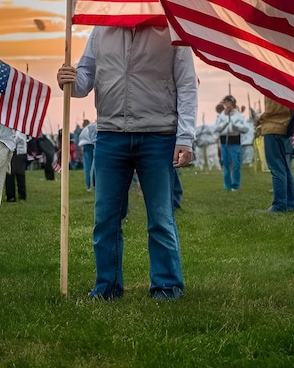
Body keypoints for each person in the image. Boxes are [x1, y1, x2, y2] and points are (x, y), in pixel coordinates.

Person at [57, 25, 197, 301]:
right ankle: (107, 287)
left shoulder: (171, 29)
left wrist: (185, 136)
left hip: (158, 135)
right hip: (110, 134)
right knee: (106, 218)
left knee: (160, 216)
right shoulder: (100, 31)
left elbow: (187, 84)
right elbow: (86, 78)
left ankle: (167, 286)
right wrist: (70, 79)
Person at [258, 98, 294, 212]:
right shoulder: (288, 88)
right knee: (285, 168)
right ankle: (289, 203)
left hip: (272, 128)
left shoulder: (272, 87)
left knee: (276, 168)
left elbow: (271, 111)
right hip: (286, 127)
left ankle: (279, 204)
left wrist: (260, 119)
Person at [214, 95, 248, 191]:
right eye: (225, 103)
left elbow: (245, 128)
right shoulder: (221, 116)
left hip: (235, 141)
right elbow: (216, 128)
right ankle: (227, 185)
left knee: (236, 164)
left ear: (232, 103)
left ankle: (236, 184)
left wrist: (236, 126)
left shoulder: (239, 115)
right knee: (226, 164)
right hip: (224, 141)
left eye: (227, 102)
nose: (226, 104)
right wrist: (224, 124)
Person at [5, 131, 27, 202]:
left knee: (15, 174)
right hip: (16, 152)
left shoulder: (19, 130)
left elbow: (17, 138)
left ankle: (16, 196)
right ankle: (12, 196)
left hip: (17, 152)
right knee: (11, 174)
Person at [78, 119, 97, 190]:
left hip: (85, 143)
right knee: (92, 166)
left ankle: (89, 185)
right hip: (90, 143)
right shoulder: (95, 127)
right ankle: (92, 184)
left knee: (88, 166)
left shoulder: (88, 128)